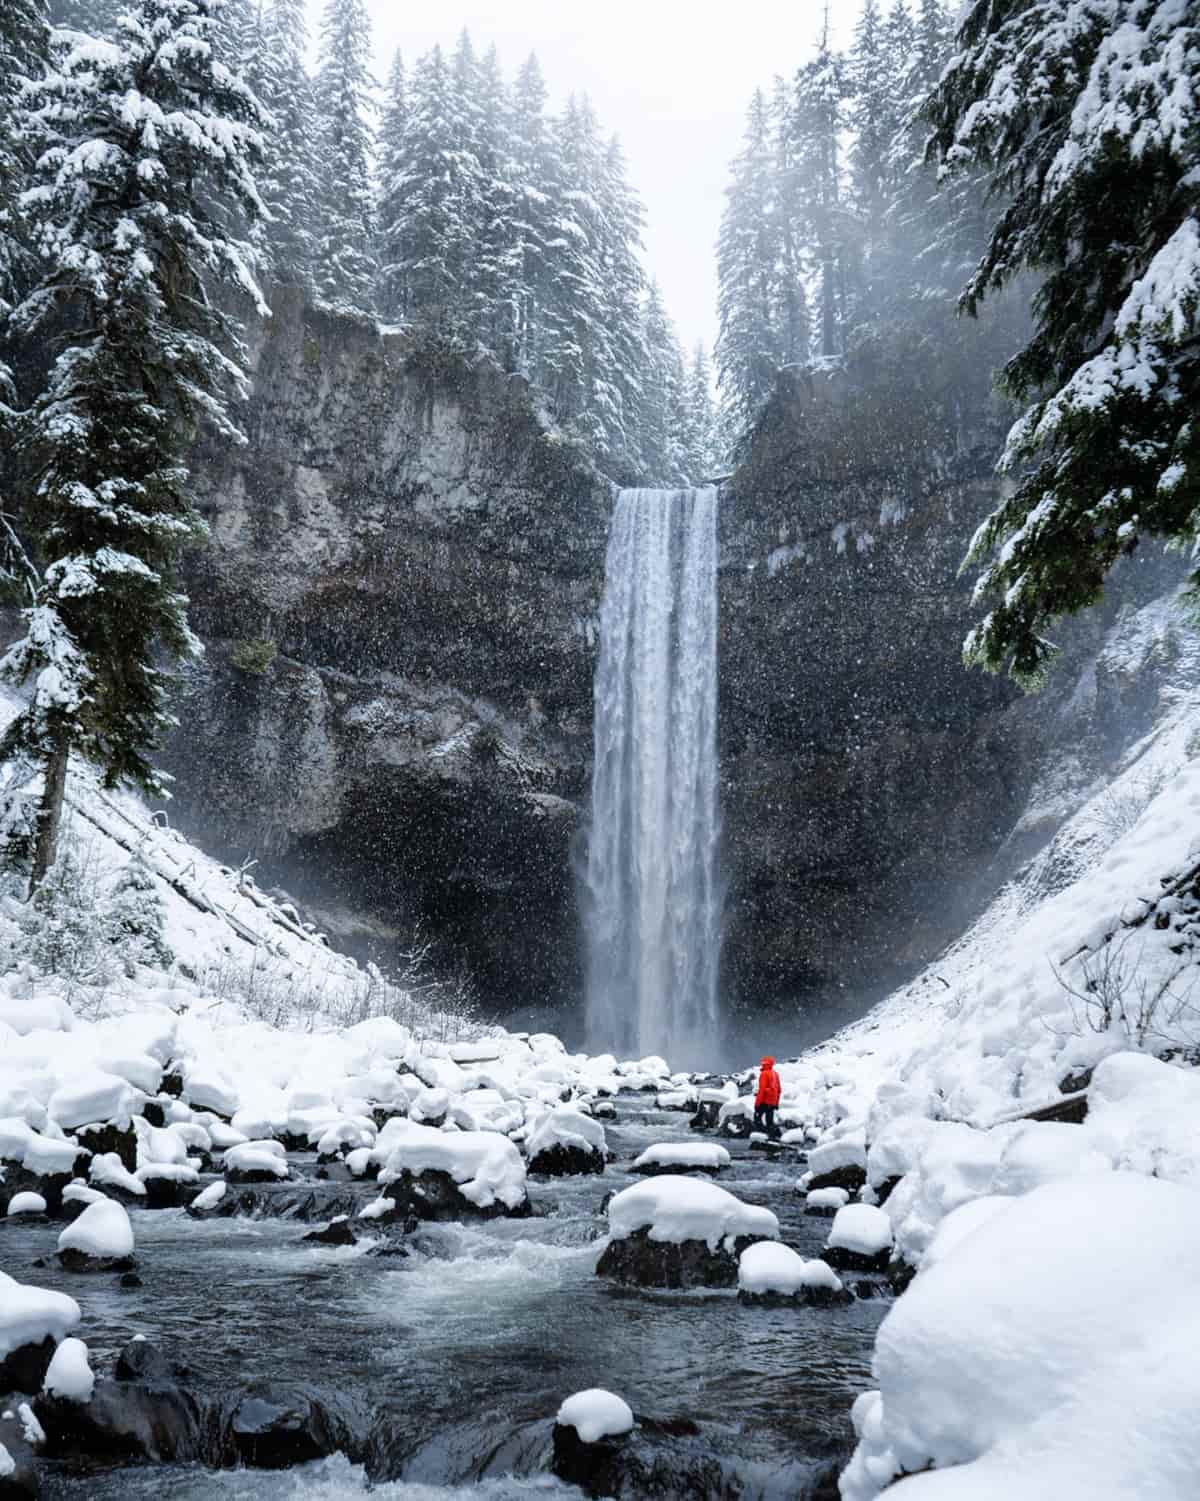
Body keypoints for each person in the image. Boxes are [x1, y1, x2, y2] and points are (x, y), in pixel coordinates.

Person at [753, 1056, 781, 1137]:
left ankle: (761, 1136)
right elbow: (779, 1090)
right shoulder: (775, 1074)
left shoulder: (764, 1074)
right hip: (772, 1102)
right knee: (769, 1120)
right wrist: (776, 1103)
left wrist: (757, 1104)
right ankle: (774, 1136)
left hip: (764, 1101)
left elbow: (762, 1090)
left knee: (757, 1118)